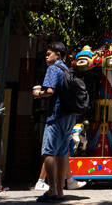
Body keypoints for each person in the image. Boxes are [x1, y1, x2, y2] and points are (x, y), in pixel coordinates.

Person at [32, 41, 77, 202]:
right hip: (69, 116)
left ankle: (51, 191)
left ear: (57, 55)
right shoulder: (67, 69)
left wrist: (38, 93)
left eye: (48, 54)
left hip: (56, 115)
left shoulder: (53, 68)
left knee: (48, 152)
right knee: (62, 152)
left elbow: (50, 91)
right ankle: (60, 191)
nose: (46, 57)